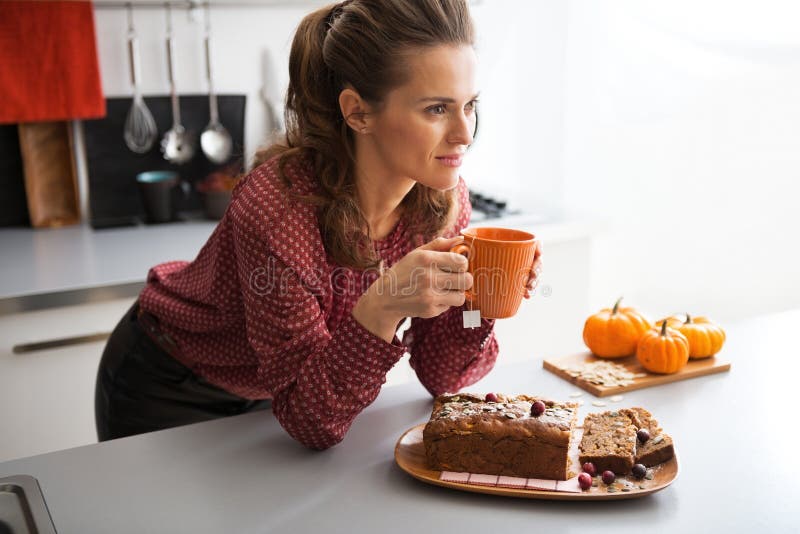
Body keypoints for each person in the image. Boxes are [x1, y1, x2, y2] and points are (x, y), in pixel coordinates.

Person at [95, 0, 542, 450]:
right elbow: (312, 424)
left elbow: (444, 377)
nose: (465, 133)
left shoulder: (444, 204)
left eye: (470, 105)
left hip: (283, 391)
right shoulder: (278, 211)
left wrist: (483, 293)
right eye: (436, 109)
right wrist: (384, 305)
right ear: (358, 112)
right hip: (170, 382)